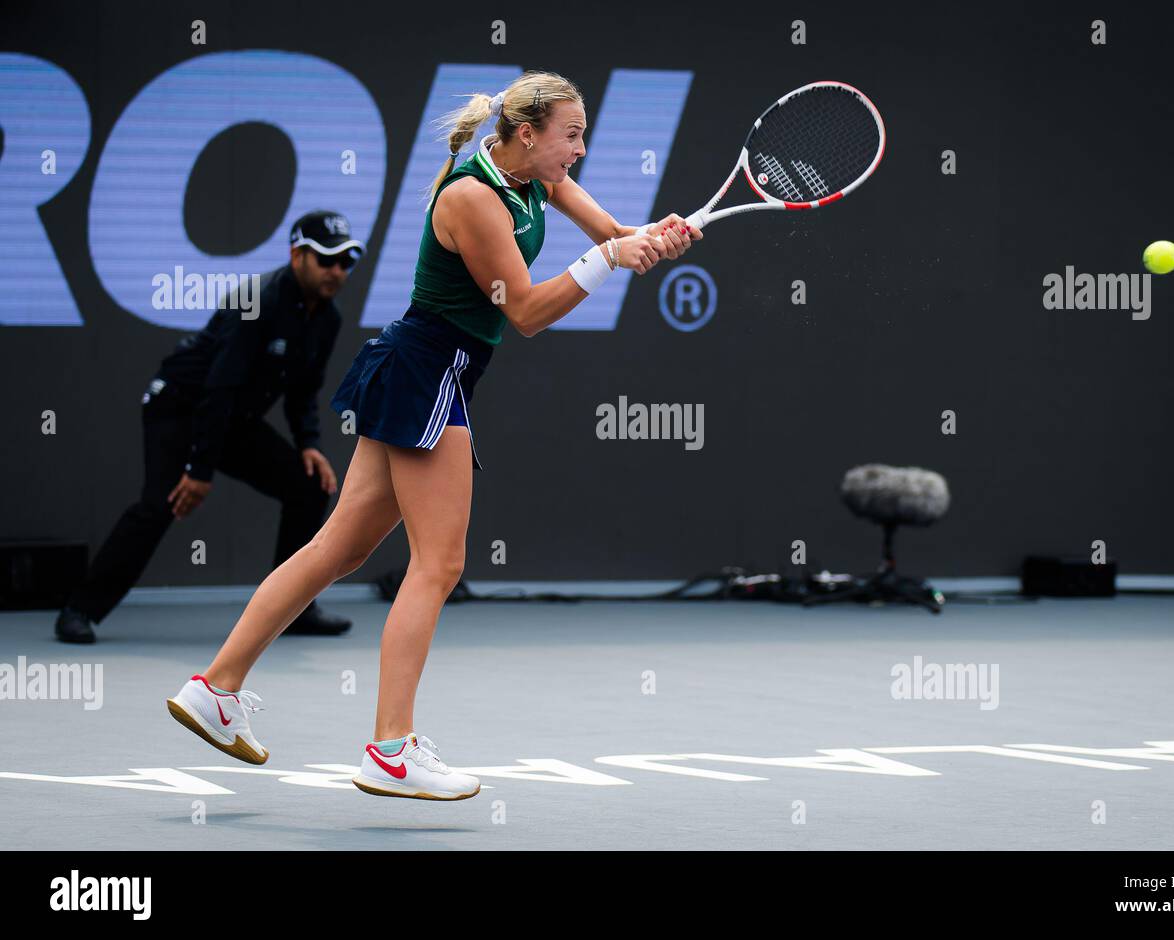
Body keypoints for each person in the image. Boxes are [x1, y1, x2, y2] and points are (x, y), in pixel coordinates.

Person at [165, 71, 702, 800]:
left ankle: (215, 689)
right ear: (528, 132)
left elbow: (612, 236)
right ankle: (390, 750)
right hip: (427, 373)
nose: (579, 150)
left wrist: (655, 239)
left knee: (338, 548)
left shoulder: (531, 181)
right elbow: (529, 313)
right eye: (571, 134)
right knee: (438, 565)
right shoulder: (474, 199)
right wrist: (610, 260)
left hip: (420, 370)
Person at [55, 211, 363, 644]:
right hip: (180, 407)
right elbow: (219, 388)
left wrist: (309, 444)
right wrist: (199, 470)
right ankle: (78, 611)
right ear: (297, 255)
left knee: (308, 485)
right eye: (326, 259)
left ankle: (294, 609)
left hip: (233, 418)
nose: (336, 271)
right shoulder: (256, 301)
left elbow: (302, 391)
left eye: (345, 262)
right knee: (161, 504)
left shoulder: (327, 318)